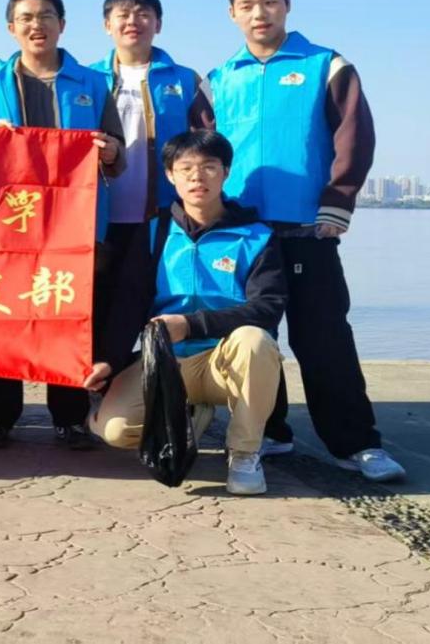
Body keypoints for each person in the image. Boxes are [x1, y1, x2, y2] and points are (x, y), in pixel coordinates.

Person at [203, 0, 402, 482]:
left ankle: (356, 443)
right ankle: (269, 432)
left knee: (323, 337)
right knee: (252, 336)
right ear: (231, 14)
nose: (260, 13)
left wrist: (337, 202)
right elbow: (201, 154)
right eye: (247, 5)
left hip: (309, 229)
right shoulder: (219, 80)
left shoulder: (326, 66)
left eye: (269, 2)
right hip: (243, 233)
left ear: (287, 4)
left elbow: (354, 136)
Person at [0, 0, 125, 450]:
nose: (37, 25)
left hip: (74, 223)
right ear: (11, 28)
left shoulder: (92, 83)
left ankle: (70, 418)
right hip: (9, 224)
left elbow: (117, 152)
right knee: (3, 316)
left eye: (46, 17)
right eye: (26, 18)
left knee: (68, 316)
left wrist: (110, 151)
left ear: (62, 24)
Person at [88, 130, 286, 495]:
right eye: (186, 168)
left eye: (209, 167)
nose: (197, 177)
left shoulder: (257, 235)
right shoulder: (154, 231)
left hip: (226, 361)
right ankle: (189, 416)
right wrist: (109, 360)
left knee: (256, 340)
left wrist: (191, 325)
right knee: (113, 430)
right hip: (166, 361)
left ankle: (244, 453)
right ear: (170, 175)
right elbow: (129, 302)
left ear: (226, 172)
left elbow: (267, 308)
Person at [86, 0, 213, 350]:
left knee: (154, 301)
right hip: (98, 215)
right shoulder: (86, 79)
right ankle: (102, 379)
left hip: (163, 216)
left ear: (158, 24)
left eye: (143, 14)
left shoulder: (185, 80)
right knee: (98, 306)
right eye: (123, 15)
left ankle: (164, 379)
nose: (133, 22)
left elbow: (207, 143)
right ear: (107, 24)